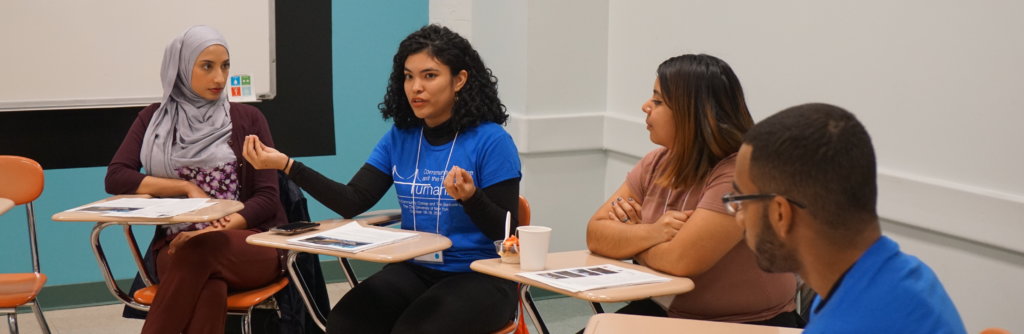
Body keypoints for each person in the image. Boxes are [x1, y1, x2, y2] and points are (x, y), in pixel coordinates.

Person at [242, 24, 520, 334]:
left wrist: (471, 197)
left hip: (480, 274)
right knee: (346, 322)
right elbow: (352, 200)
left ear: (459, 80)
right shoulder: (401, 136)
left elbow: (507, 231)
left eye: (429, 75)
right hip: (416, 267)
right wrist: (287, 165)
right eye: (408, 76)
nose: (416, 87)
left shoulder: (492, 141)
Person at [585, 54, 801, 326]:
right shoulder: (656, 162)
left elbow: (681, 261)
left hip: (743, 324)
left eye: (658, 101)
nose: (645, 107)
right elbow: (596, 234)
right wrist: (653, 232)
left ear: (693, 114)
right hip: (663, 312)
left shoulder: (740, 173)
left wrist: (631, 241)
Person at [105, 26, 287, 334]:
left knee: (201, 251)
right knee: (209, 289)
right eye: (207, 66)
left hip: (249, 241)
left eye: (225, 66)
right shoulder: (153, 120)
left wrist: (216, 228)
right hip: (176, 245)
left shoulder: (248, 120)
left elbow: (268, 199)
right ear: (179, 68)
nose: (219, 78)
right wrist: (184, 187)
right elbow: (117, 177)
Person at [727, 103, 966, 333]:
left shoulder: (846, 324)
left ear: (780, 214)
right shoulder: (909, 274)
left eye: (742, 201)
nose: (739, 218)